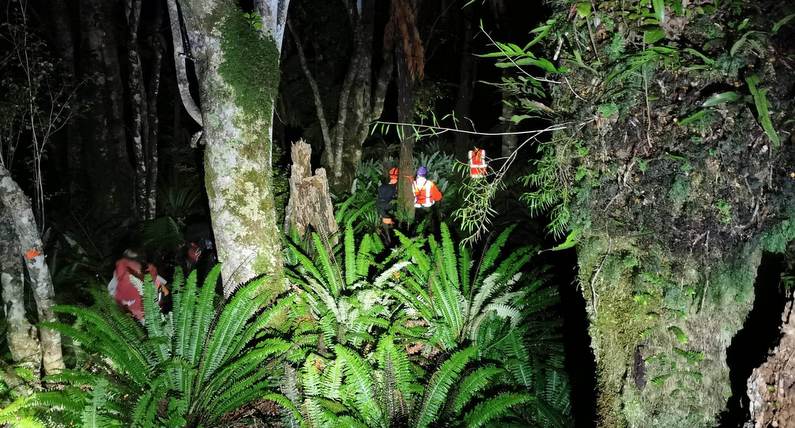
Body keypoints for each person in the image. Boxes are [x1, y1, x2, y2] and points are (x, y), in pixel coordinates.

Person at [108, 249, 168, 321]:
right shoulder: (120, 276)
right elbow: (112, 296)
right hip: (137, 319)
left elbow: (165, 292)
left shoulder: (148, 273)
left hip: (151, 316)